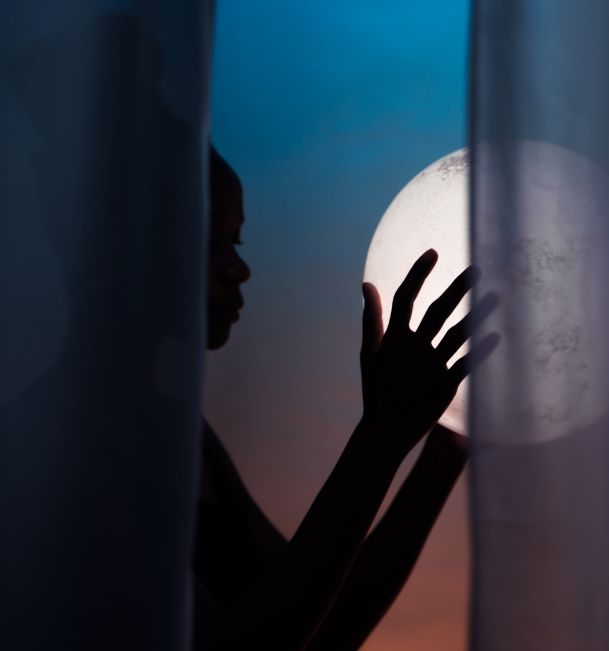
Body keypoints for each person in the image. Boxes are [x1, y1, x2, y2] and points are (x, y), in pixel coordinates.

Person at [194, 146, 497, 650]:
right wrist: (382, 435)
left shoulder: (191, 441)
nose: (239, 269)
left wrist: (448, 438)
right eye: (211, 238)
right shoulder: (77, 448)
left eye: (237, 239)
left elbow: (323, 622)